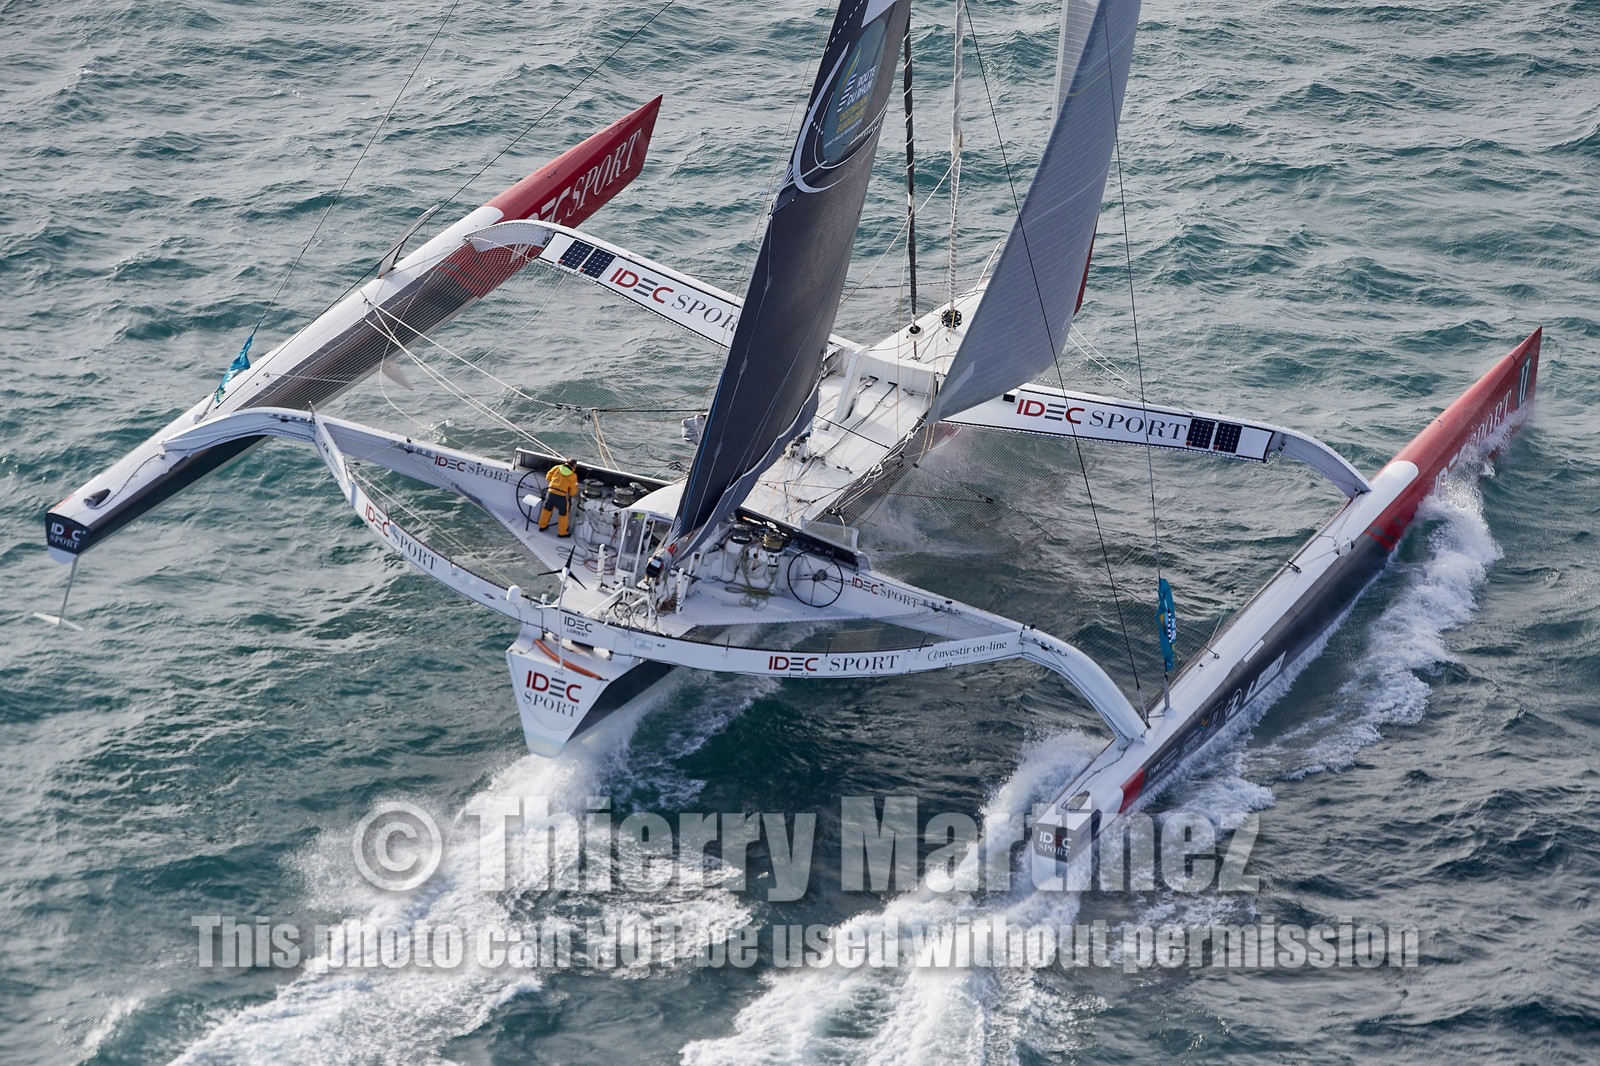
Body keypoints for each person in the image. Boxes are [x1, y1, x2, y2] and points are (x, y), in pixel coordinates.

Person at [538, 459, 579, 537]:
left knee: (547, 510)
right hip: (561, 496)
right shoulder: (573, 475)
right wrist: (571, 494)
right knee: (563, 514)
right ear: (574, 465)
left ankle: (542, 526)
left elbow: (548, 477)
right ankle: (562, 533)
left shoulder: (557, 467)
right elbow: (573, 490)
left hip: (550, 493)